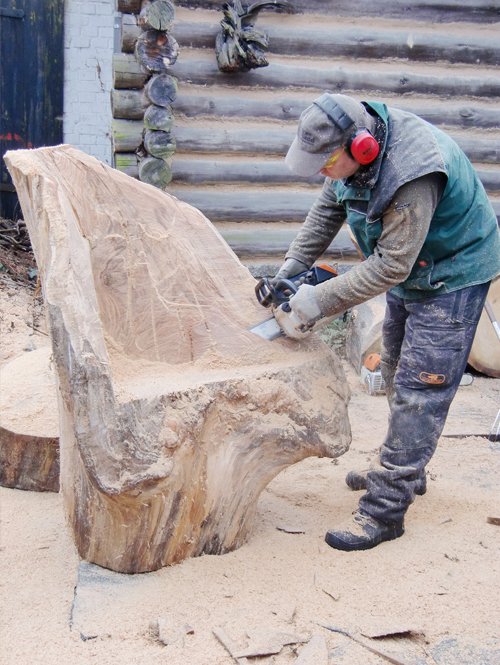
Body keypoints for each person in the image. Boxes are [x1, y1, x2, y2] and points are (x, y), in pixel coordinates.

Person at [275, 92, 500, 551]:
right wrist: (289, 272)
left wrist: (316, 302)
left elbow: (391, 266)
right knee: (395, 365)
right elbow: (326, 211)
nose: (320, 171)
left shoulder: (412, 173)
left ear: (361, 149)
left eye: (325, 162)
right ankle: (405, 471)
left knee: (422, 390)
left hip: (452, 273)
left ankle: (384, 511)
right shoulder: (345, 154)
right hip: (413, 266)